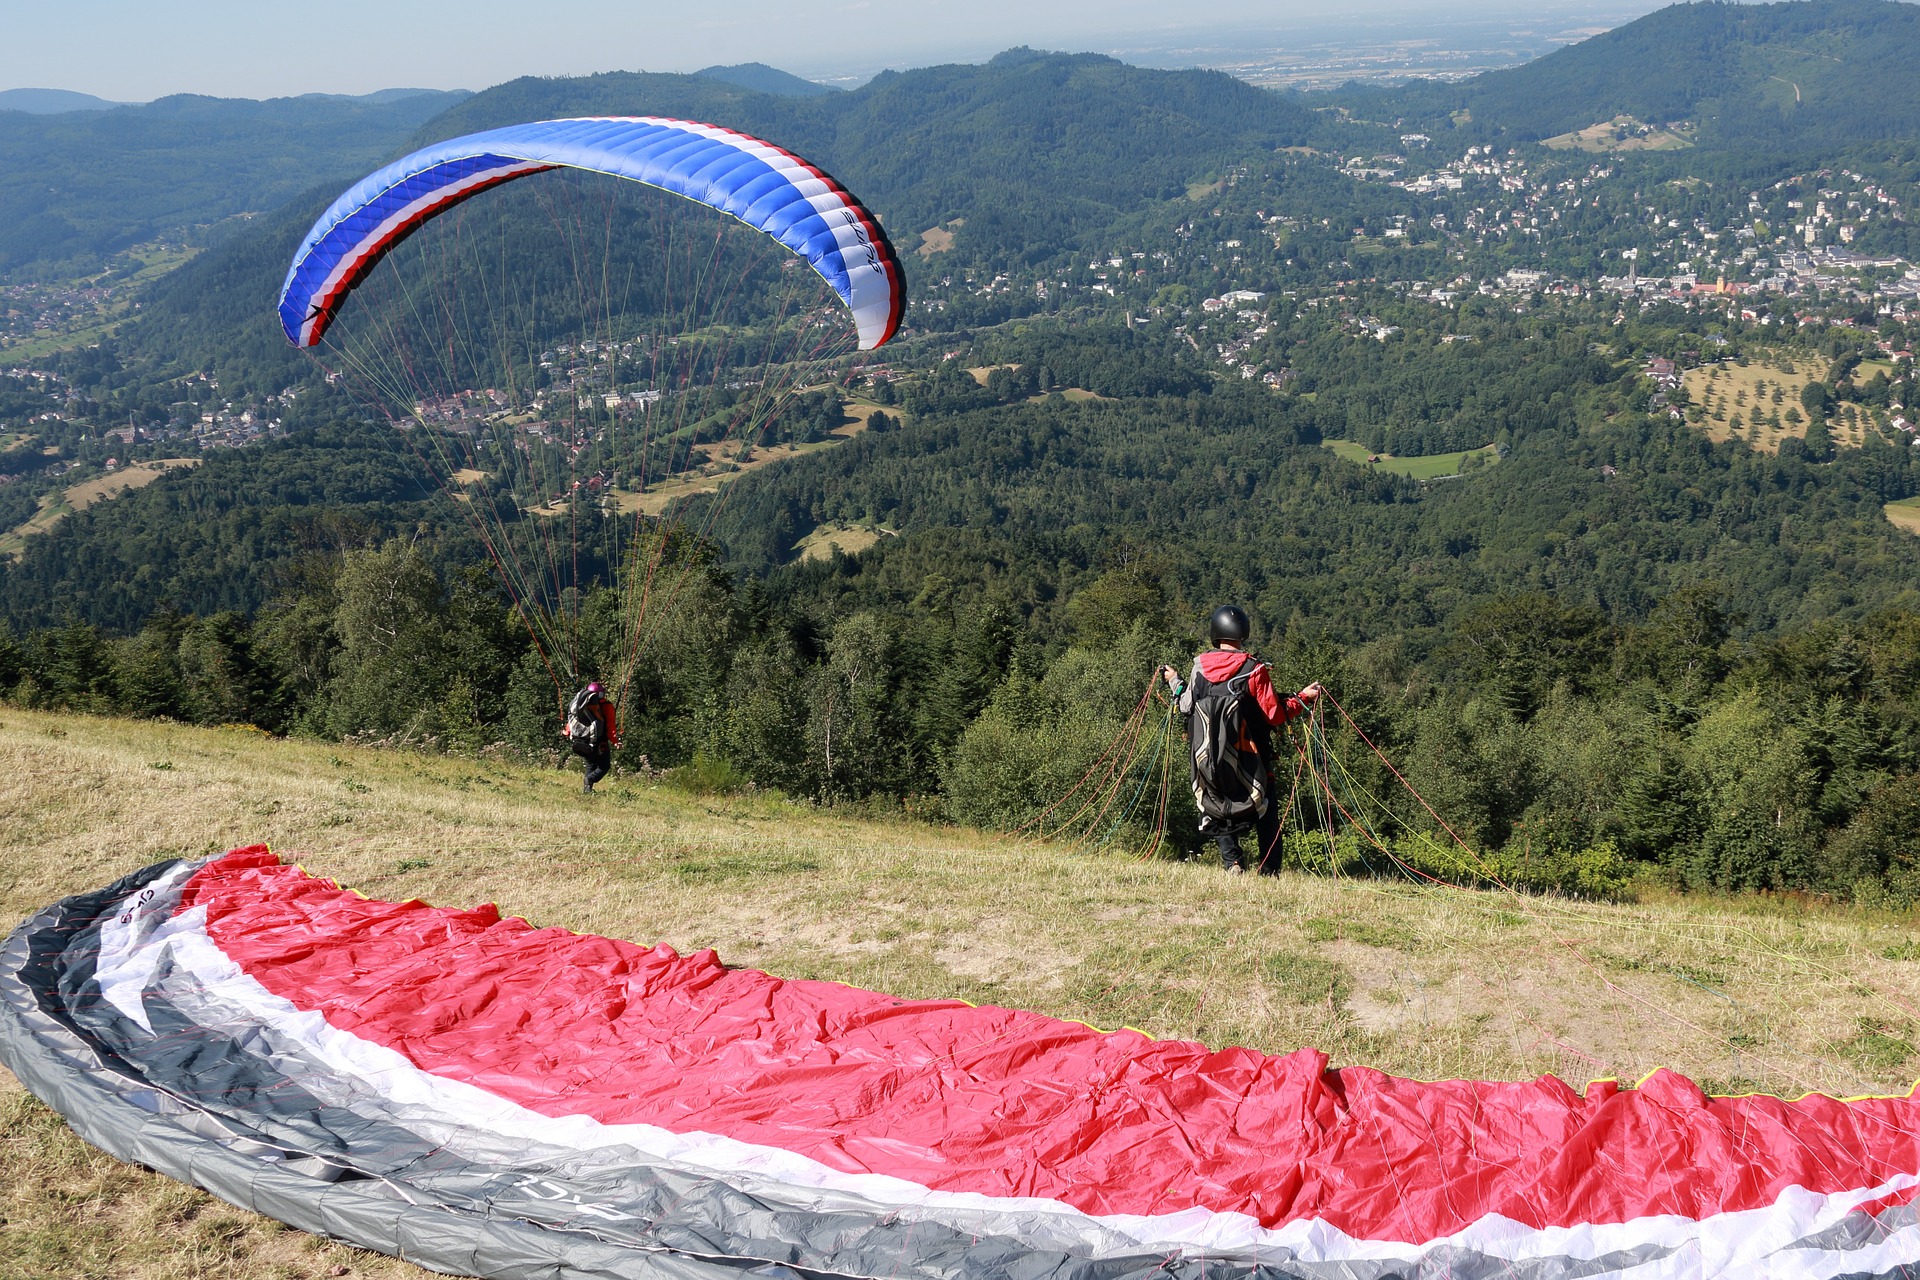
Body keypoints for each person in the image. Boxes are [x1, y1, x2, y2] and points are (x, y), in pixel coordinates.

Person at [1159, 606, 1323, 874]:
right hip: (1252, 756)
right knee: (1266, 810)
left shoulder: (1198, 667)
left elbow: (1186, 704)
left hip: (1209, 758)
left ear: (1215, 634)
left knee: (1216, 803)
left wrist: (1174, 679)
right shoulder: (1254, 669)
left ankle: (1232, 861)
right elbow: (1275, 715)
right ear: (1243, 634)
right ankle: (1269, 871)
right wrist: (1303, 698)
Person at [561, 682, 618, 793]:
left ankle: (587, 791)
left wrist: (566, 732)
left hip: (581, 741)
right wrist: (615, 741)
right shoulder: (606, 706)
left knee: (590, 765)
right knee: (604, 766)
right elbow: (610, 725)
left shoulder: (580, 705)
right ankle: (590, 779)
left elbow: (572, 722)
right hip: (599, 742)